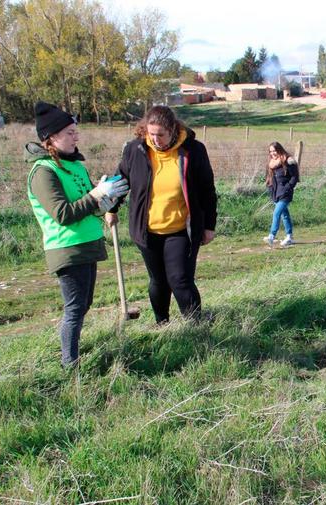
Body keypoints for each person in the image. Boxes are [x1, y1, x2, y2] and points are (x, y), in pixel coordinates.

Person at [26, 101, 129, 366]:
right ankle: (69, 364)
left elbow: (84, 204)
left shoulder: (75, 166)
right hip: (67, 248)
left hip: (87, 244)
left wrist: (103, 201)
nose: (76, 137)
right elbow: (63, 214)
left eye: (76, 131)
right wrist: (95, 196)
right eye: (70, 132)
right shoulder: (43, 172)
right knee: (74, 308)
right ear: (50, 137)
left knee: (83, 304)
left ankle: (71, 353)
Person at [107, 105, 217, 325]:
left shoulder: (192, 151)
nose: (155, 139)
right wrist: (111, 207)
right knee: (158, 281)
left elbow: (207, 190)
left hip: (181, 229)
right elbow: (120, 181)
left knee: (180, 279)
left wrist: (209, 226)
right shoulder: (134, 150)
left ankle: (195, 325)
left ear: (173, 130)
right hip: (147, 231)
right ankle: (161, 324)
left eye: (161, 135)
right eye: (151, 134)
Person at [263, 141, 299, 247]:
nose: (273, 153)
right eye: (271, 151)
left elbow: (294, 177)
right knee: (285, 215)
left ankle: (271, 236)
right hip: (275, 193)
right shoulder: (271, 163)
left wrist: (288, 187)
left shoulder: (288, 161)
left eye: (274, 150)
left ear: (279, 149)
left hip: (285, 193)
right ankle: (289, 237)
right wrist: (270, 189)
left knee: (276, 213)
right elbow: (269, 179)